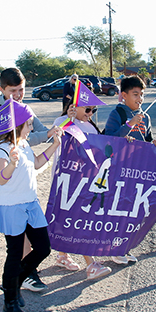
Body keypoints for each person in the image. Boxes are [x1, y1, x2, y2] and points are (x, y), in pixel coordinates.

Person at [0, 67, 57, 291]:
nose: (18, 95)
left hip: (22, 171)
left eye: (21, 90)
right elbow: (4, 141)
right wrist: (45, 136)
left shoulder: (26, 109)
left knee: (24, 220)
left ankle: (27, 272)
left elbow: (36, 133)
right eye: (13, 90)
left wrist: (52, 133)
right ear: (2, 89)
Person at [0, 113, 62, 312]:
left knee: (43, 248)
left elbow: (38, 163)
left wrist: (55, 144)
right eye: (28, 125)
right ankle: (9, 301)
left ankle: (13, 284)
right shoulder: (3, 149)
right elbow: (1, 179)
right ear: (17, 125)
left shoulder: (24, 144)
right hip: (12, 207)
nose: (31, 128)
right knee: (14, 253)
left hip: (30, 204)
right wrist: (12, 163)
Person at [103, 75, 156, 264]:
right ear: (123, 95)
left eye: (142, 95)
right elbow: (109, 139)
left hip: (139, 171)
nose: (140, 99)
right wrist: (129, 125)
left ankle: (124, 246)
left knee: (133, 211)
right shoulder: (118, 114)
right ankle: (114, 248)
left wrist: (155, 144)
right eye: (135, 94)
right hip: (119, 170)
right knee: (118, 210)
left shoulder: (146, 116)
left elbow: (147, 140)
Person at [52, 103, 112, 280]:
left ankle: (62, 255)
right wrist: (69, 121)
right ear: (74, 107)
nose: (91, 113)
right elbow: (58, 140)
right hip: (67, 180)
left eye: (94, 110)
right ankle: (91, 264)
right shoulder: (62, 121)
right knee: (78, 219)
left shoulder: (91, 125)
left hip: (86, 179)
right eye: (87, 110)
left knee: (71, 219)